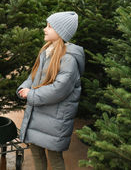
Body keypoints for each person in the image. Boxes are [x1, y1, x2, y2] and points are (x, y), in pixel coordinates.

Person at [17, 11, 85, 170]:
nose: (44, 29)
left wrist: (31, 94)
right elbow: (34, 76)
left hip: (55, 121)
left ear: (61, 32)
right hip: (38, 115)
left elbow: (58, 90)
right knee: (36, 153)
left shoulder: (68, 59)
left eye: (50, 26)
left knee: (54, 159)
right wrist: (24, 87)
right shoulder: (47, 50)